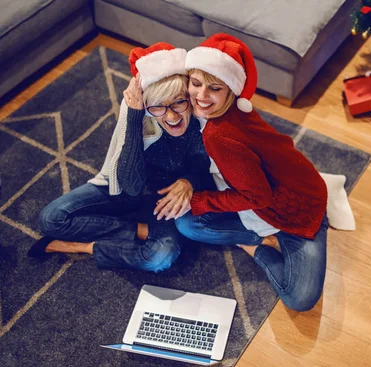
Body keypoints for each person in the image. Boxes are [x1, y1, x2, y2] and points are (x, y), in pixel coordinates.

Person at [27, 43, 215, 272]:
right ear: (147, 107)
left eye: (178, 102)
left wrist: (189, 181)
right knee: (51, 219)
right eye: (158, 106)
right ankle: (138, 230)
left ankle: (81, 246)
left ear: (189, 97)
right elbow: (130, 185)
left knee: (158, 258)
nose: (171, 115)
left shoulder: (204, 123)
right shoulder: (140, 119)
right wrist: (134, 117)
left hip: (166, 203)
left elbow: (211, 171)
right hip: (128, 190)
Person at [175, 33, 328, 312]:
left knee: (300, 298)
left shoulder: (220, 135)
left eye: (215, 88)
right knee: (188, 224)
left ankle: (256, 245)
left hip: (292, 208)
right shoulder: (232, 112)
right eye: (195, 84)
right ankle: (261, 239)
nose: (201, 95)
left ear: (231, 91)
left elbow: (257, 196)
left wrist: (200, 201)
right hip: (293, 184)